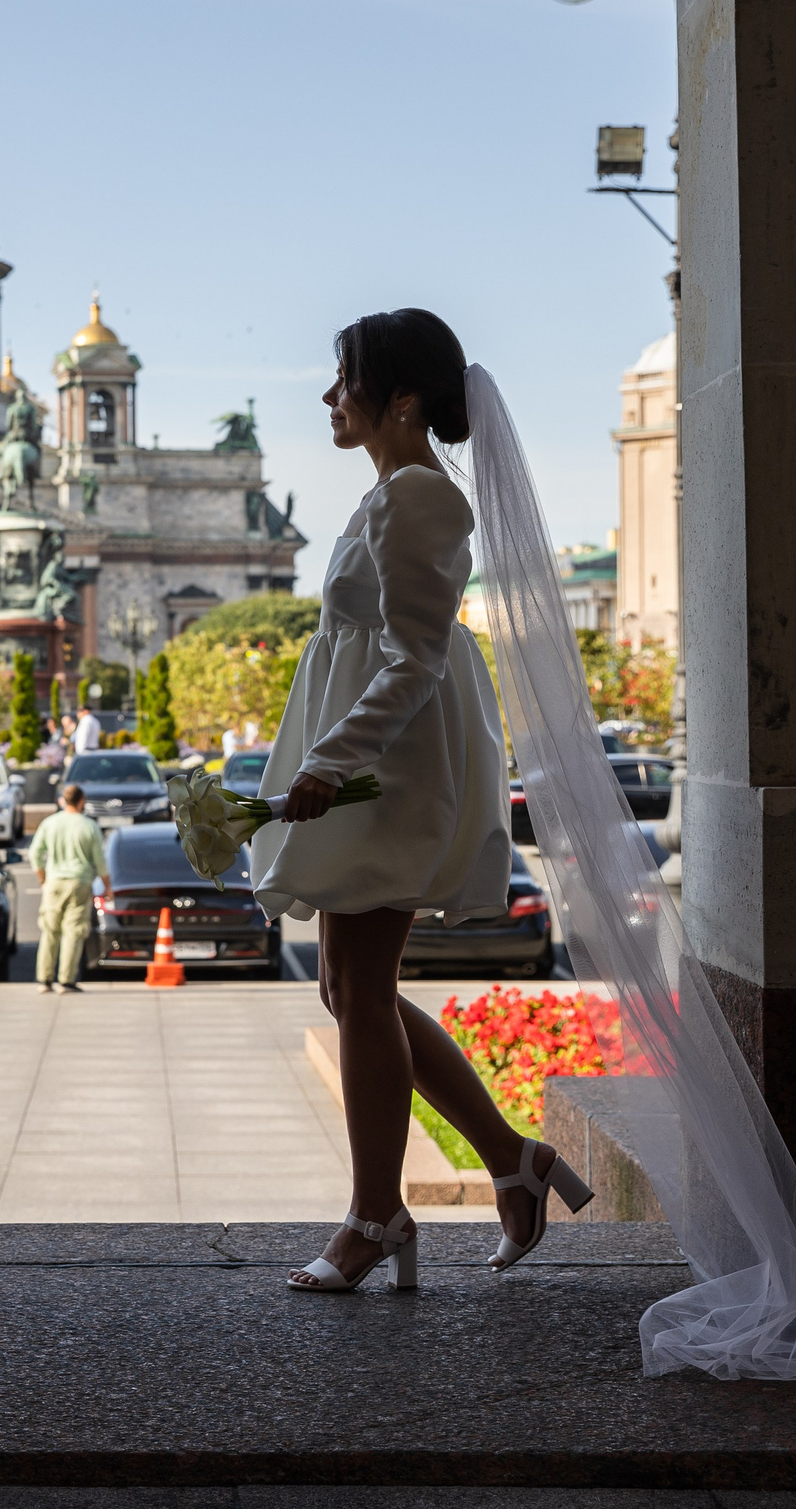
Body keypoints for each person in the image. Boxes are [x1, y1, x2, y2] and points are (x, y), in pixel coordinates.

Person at [251, 308, 592, 1293]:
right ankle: (512, 1160)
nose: (329, 397)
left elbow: (413, 659)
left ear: (401, 398)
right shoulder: (389, 494)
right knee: (347, 986)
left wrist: (330, 762)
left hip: (389, 766)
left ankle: (377, 1215)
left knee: (359, 987)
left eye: (344, 378)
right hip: (375, 757)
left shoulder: (421, 499)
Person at [27, 783, 108, 993]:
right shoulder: (89, 826)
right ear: (82, 802)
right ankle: (66, 980)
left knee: (50, 930)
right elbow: (100, 862)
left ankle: (44, 980)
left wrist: (43, 879)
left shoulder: (50, 823)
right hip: (80, 881)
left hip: (54, 881)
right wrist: (108, 887)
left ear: (63, 801)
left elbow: (35, 853)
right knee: (74, 930)